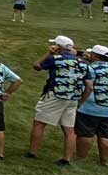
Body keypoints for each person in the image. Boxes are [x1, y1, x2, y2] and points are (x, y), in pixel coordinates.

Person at [28, 35, 91, 166]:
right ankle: (66, 159)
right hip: (73, 98)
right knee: (69, 130)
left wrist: (49, 53)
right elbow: (89, 86)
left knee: (39, 123)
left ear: (58, 47)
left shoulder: (55, 59)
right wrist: (81, 101)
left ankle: (32, 152)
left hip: (55, 95)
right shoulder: (83, 63)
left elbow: (36, 66)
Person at [75, 45, 108, 166]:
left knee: (85, 133)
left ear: (95, 56)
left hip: (90, 108)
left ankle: (80, 158)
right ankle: (104, 161)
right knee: (106, 135)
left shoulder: (90, 69)